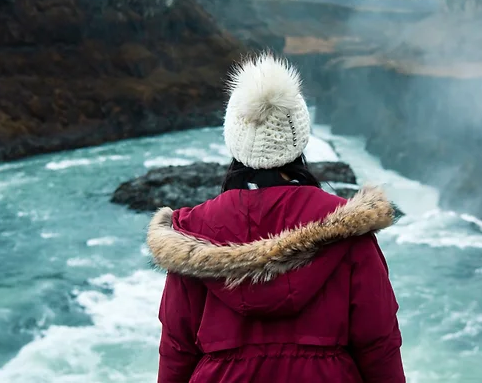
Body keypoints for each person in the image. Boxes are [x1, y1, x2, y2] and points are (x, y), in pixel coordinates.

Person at [147, 53, 405, 382]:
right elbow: (379, 345)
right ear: (298, 138)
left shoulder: (192, 238)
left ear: (234, 140)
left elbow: (176, 349)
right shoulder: (348, 229)